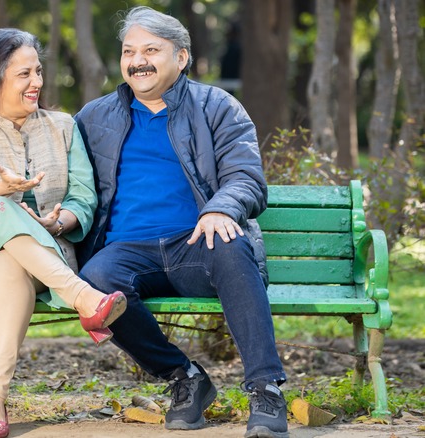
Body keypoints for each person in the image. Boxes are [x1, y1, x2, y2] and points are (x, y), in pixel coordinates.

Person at [74, 7, 288, 438]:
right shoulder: (94, 118)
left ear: (182, 57)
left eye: (152, 50)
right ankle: (184, 377)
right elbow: (70, 185)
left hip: (198, 243)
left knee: (230, 244)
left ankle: (266, 389)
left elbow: (246, 177)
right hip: (128, 252)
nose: (138, 61)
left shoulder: (217, 106)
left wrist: (219, 208)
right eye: (129, 51)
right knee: (95, 279)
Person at [0, 28, 127, 438]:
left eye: (38, 72)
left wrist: (58, 222)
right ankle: (83, 298)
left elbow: (83, 199)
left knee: (12, 266)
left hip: (41, 261)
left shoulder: (63, 127)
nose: (37, 82)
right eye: (24, 75)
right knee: (0, 210)